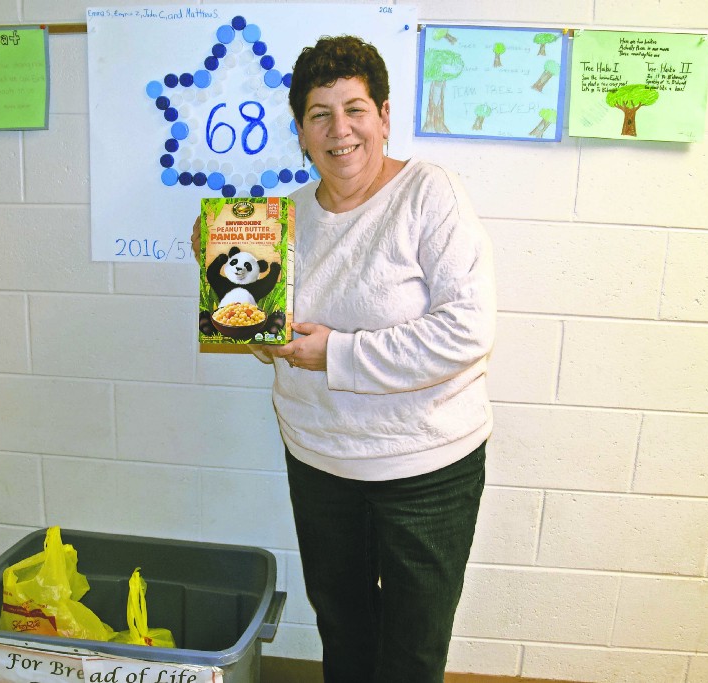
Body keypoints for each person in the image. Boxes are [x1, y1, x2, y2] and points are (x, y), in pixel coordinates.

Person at [194, 35, 495, 683]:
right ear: (300, 131)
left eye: (355, 109)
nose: (340, 130)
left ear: (384, 116)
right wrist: (226, 279)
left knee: (412, 650)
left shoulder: (430, 194)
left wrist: (333, 352)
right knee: (344, 630)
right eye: (320, 114)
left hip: (427, 466)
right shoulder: (281, 220)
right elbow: (271, 348)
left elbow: (466, 332)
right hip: (320, 459)